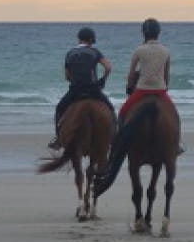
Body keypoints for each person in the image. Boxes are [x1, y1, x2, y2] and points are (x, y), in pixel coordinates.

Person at [117, 17, 184, 153]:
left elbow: (131, 74)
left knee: (122, 113)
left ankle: (120, 140)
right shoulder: (166, 51)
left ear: (143, 33)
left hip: (142, 90)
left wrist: (129, 87)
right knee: (175, 116)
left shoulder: (139, 50)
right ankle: (176, 144)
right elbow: (166, 75)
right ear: (158, 33)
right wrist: (165, 88)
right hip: (160, 91)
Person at [49, 26, 113, 150]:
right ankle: (113, 136)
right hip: (93, 90)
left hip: (75, 91)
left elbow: (67, 76)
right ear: (91, 40)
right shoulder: (95, 51)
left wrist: (75, 81)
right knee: (110, 109)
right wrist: (102, 80)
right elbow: (108, 67)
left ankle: (58, 139)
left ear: (79, 39)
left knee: (59, 109)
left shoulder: (70, 53)